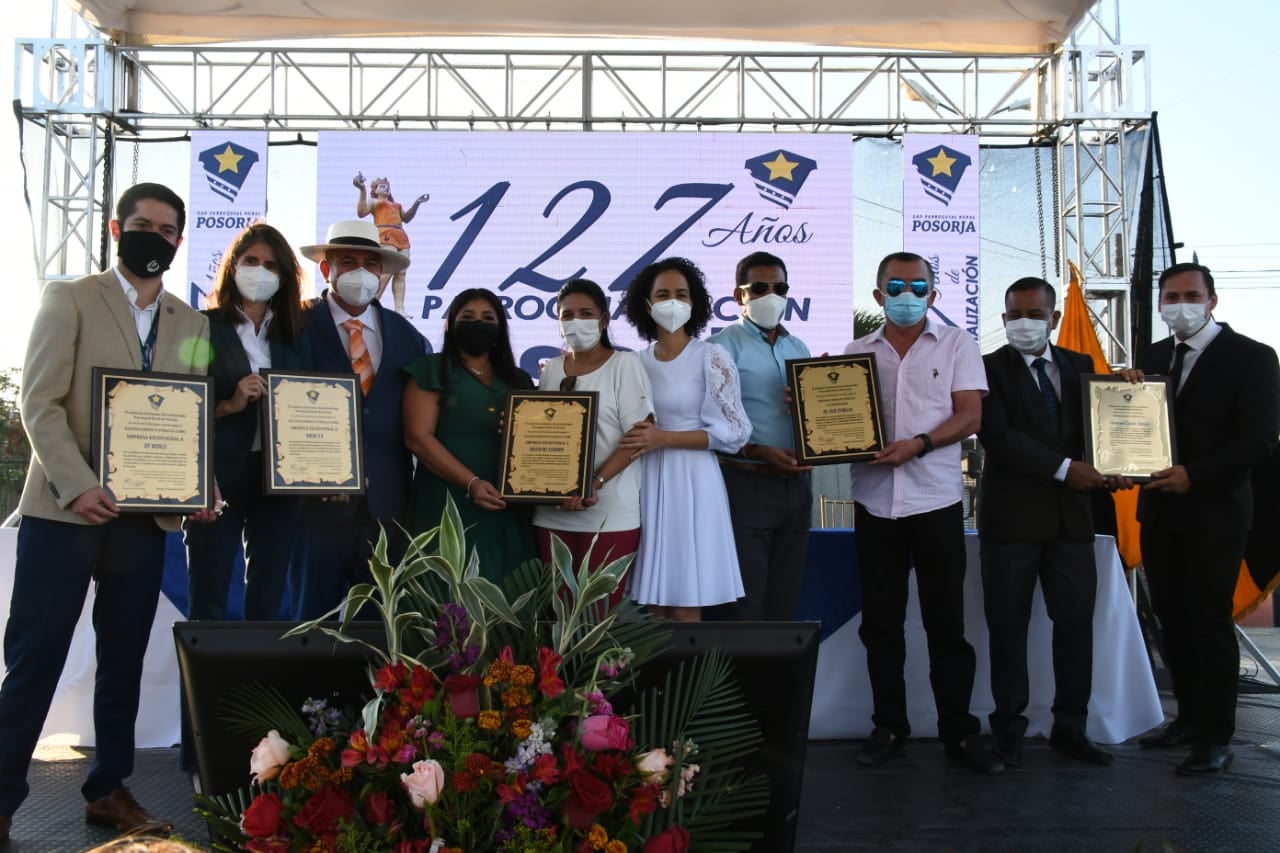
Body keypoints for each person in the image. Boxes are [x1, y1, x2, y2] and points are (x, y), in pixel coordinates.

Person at [0, 182, 217, 839]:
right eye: (143, 225)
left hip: (143, 519)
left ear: (179, 240)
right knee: (36, 656)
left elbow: (190, 408)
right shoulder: (69, 298)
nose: (156, 237)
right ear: (118, 229)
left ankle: (109, 789)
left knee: (123, 660)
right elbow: (39, 403)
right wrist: (79, 484)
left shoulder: (192, 323)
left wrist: (199, 484)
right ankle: (3, 792)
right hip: (64, 512)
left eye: (168, 229)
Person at [843, 251, 1002, 774]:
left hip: (936, 502)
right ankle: (888, 726)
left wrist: (920, 444)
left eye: (917, 287)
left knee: (946, 625)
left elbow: (971, 416)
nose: (906, 296)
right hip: (874, 503)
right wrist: (808, 409)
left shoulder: (958, 343)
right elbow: (838, 418)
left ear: (933, 294)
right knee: (881, 626)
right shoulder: (855, 352)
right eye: (895, 287)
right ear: (878, 295)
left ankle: (959, 732)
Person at [1123, 262, 1280, 775]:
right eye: (1171, 297)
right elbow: (1135, 425)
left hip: (1217, 511)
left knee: (1208, 620)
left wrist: (1196, 474)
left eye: (1192, 295)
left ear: (1212, 300)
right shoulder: (1152, 357)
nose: (1181, 305)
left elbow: (1259, 439)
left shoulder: (1253, 357)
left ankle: (1215, 737)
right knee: (1171, 618)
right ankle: (1187, 720)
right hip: (1159, 510)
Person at [977, 276, 1113, 768]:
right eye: (1015, 315)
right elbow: (999, 436)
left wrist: (1128, 408)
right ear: (1004, 318)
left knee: (1075, 627)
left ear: (1053, 318)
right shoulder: (986, 368)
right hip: (1011, 521)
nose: (1025, 323)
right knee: (1008, 629)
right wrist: (1065, 469)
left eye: (1035, 315)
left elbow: (1103, 428)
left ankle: (1071, 728)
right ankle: (1008, 731)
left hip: (1072, 522)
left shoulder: (1081, 366)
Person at [291, 220, 426, 619]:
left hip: (387, 511)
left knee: (380, 632)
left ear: (382, 272)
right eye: (348, 262)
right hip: (314, 511)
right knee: (311, 628)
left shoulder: (406, 336)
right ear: (326, 269)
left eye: (371, 264)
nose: (361, 272)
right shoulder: (294, 325)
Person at [184, 222, 311, 620]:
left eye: (271, 266)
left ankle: (260, 667)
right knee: (208, 597)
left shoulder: (296, 336)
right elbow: (178, 407)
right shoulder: (201, 326)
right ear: (233, 267)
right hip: (218, 475)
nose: (260, 272)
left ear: (284, 277)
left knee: (268, 601)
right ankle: (204, 666)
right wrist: (229, 404)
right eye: (251, 261)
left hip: (279, 479)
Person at [619, 257, 751, 621]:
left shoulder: (710, 356)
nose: (672, 302)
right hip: (647, 479)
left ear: (694, 303)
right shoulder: (634, 363)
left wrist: (664, 438)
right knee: (655, 601)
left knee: (686, 597)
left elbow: (734, 432)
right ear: (646, 304)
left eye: (681, 294)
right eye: (663, 294)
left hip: (694, 480)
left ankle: (691, 660)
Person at [532, 279, 654, 602]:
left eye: (586, 313)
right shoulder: (551, 370)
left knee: (597, 616)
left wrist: (594, 482)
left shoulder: (624, 365)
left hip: (609, 513)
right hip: (552, 511)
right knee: (557, 614)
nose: (576, 321)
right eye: (567, 315)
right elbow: (541, 434)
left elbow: (639, 437)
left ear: (604, 319)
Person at [403, 288, 538, 581]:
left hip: (506, 505)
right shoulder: (432, 369)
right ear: (450, 323)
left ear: (500, 327)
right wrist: (471, 483)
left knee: (508, 593)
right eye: (468, 316)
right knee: (446, 594)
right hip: (447, 502)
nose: (478, 323)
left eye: (488, 318)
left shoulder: (518, 379)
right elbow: (418, 438)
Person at [707, 251, 813, 620]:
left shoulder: (798, 348)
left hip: (798, 486)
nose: (771, 295)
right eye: (759, 288)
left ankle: (777, 664)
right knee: (745, 604)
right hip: (746, 483)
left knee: (786, 600)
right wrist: (759, 451)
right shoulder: (720, 347)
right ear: (739, 295)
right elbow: (712, 423)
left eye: (779, 288)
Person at [353, 173, 429, 316]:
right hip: (385, 234)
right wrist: (362, 189)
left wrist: (417, 203)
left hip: (401, 236)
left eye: (387, 186)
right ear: (375, 190)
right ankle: (371, 303)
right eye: (382, 186)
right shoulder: (374, 202)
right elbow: (361, 212)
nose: (386, 189)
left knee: (401, 273)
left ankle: (399, 308)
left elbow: (407, 218)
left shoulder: (396, 205)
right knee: (386, 272)